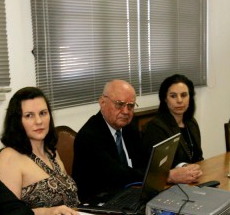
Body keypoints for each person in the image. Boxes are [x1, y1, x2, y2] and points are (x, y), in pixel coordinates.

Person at [73, 79, 202, 202]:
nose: (125, 111)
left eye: (130, 106)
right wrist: (166, 176)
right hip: (100, 200)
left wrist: (180, 167)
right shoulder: (89, 135)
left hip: (130, 193)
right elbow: (116, 174)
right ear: (102, 102)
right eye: (119, 104)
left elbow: (147, 159)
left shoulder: (128, 126)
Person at [0, 87, 82, 215]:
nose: (39, 121)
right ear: (17, 121)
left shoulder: (51, 151)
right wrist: (47, 213)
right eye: (29, 115)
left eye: (43, 113)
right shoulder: (9, 157)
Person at [141, 74, 203, 167]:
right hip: (170, 180)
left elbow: (199, 157)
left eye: (184, 95)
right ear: (165, 99)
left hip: (194, 177)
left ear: (190, 97)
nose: (179, 100)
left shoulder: (191, 122)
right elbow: (160, 166)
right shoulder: (155, 128)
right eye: (173, 96)